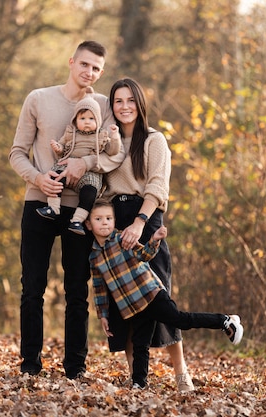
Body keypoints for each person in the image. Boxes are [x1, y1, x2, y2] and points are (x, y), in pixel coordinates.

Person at [9, 40, 125, 379]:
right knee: (32, 287)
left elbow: (115, 154)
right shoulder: (38, 99)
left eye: (96, 68)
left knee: (78, 290)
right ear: (72, 62)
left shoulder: (104, 106)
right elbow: (17, 152)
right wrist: (38, 179)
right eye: (85, 64)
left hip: (82, 210)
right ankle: (30, 364)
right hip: (40, 203)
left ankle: (75, 367)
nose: (89, 72)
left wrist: (84, 162)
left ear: (100, 73)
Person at [86, 201, 243, 389]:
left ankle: (225, 321)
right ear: (88, 224)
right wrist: (102, 315)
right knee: (140, 345)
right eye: (98, 219)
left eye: (109, 218)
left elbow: (145, 254)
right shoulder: (94, 257)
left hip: (151, 294)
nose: (105, 223)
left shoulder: (122, 238)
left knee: (180, 320)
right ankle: (139, 383)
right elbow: (99, 288)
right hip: (132, 306)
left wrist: (154, 239)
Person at [103, 77, 194, 391]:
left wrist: (140, 224)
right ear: (111, 106)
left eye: (130, 100)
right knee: (124, 301)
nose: (124, 107)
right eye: (118, 101)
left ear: (139, 104)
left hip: (147, 218)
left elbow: (158, 186)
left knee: (160, 299)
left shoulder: (155, 140)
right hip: (115, 221)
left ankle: (181, 373)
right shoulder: (107, 142)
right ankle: (136, 377)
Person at [36, 92, 122, 235]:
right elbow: (63, 148)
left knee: (90, 193)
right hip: (66, 166)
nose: (87, 121)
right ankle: (53, 208)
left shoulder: (101, 136)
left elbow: (113, 151)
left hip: (90, 173)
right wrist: (58, 148)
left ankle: (77, 220)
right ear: (75, 120)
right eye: (82, 118)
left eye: (91, 118)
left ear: (98, 120)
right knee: (55, 178)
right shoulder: (71, 132)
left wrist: (114, 136)